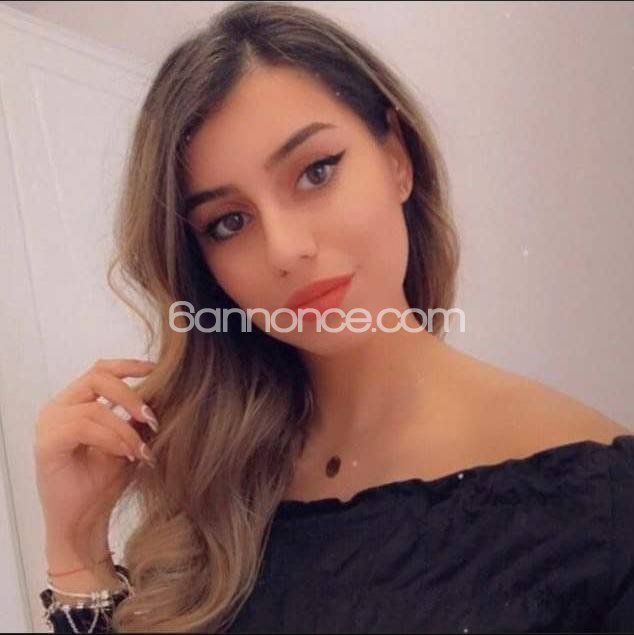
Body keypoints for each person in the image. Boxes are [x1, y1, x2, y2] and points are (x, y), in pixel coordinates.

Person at [34, 1, 634, 633]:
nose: (285, 249)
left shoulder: (601, 502)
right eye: (228, 222)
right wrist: (76, 552)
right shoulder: (215, 488)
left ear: (397, 159)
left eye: (316, 172)